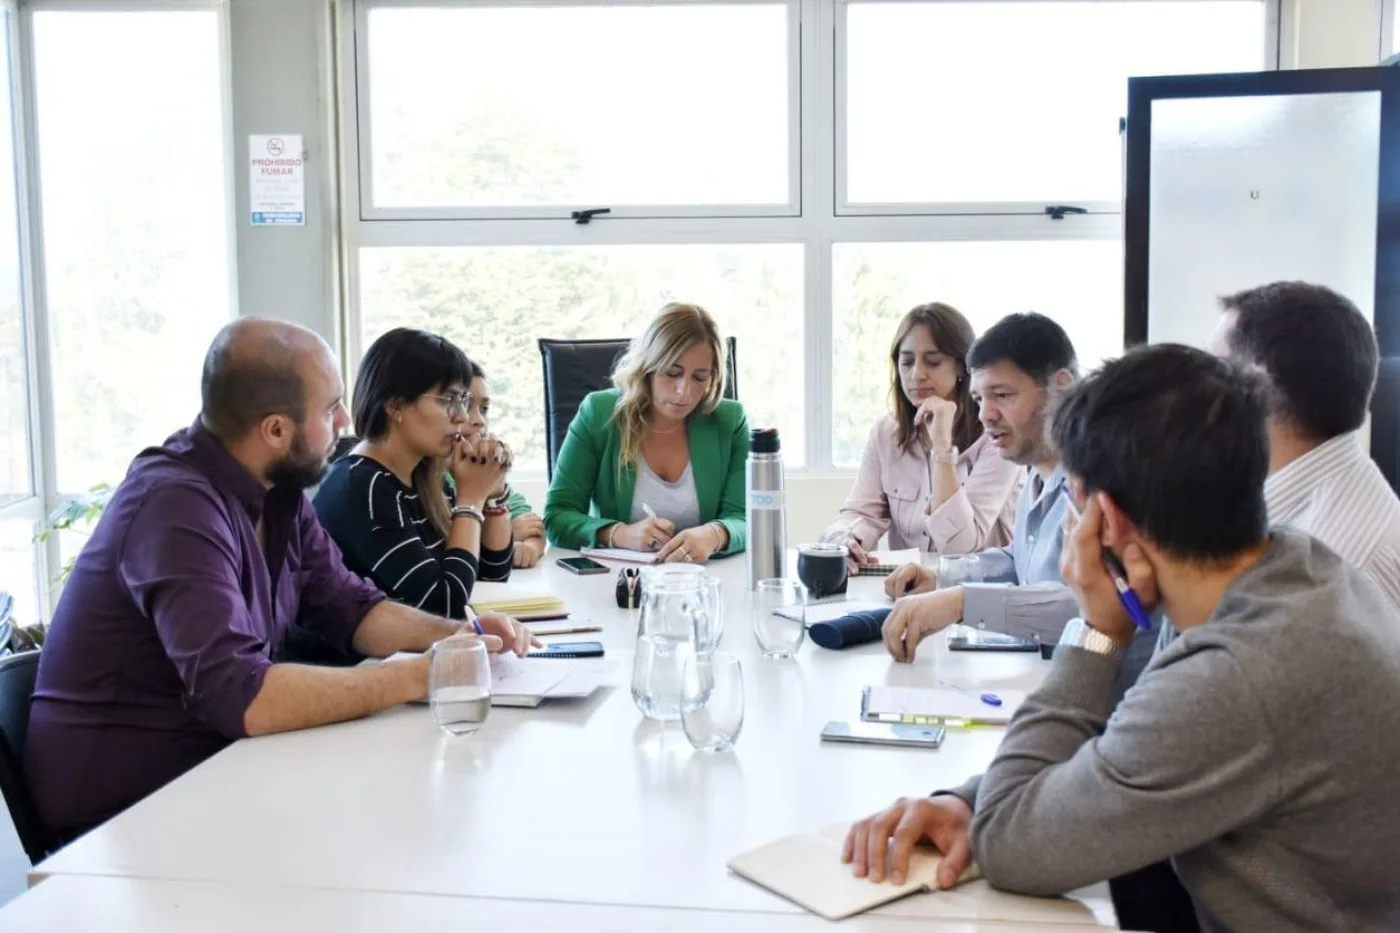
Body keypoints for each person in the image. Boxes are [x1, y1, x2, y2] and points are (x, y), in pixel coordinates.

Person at [844, 345, 1400, 933]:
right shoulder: (1290, 562)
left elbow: (1011, 845)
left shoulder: (1236, 674)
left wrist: (1096, 627)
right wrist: (966, 800)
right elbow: (1130, 744)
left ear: (1104, 522)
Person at [23, 319, 535, 841]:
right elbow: (242, 694)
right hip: (125, 813)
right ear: (274, 429)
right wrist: (419, 676)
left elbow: (352, 608)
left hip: (219, 772)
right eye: (329, 408)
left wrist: (457, 637)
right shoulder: (174, 506)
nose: (344, 420)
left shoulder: (279, 491)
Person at [878, 313, 1156, 683]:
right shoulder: (1037, 471)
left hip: (1107, 700)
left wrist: (962, 601)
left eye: (1003, 396)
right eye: (978, 399)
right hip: (1046, 679)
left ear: (1062, 387)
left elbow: (1095, 604)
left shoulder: (1103, 480)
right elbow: (1022, 558)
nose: (985, 415)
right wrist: (943, 576)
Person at [1209, 281, 1400, 611]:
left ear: (1254, 388)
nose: (1200, 391)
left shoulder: (1316, 571)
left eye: (1214, 370)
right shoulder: (1339, 489)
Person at [314, 328, 515, 624]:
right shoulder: (364, 486)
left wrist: (492, 496)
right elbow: (445, 606)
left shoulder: (421, 475)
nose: (462, 416)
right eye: (449, 400)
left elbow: (490, 578)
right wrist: (470, 501)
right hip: (351, 666)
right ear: (395, 406)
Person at [823, 303, 1022, 572]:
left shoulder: (997, 436)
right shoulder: (886, 433)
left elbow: (960, 546)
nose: (916, 374)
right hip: (907, 592)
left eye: (933, 362)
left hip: (976, 596)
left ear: (961, 367)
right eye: (906, 362)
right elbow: (861, 514)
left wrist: (942, 449)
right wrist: (845, 541)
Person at [544, 302, 748, 564]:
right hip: (619, 582)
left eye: (699, 377)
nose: (683, 391)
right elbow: (557, 517)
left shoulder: (730, 422)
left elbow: (746, 517)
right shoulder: (598, 413)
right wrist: (618, 534)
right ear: (648, 367)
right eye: (672, 373)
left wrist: (715, 534)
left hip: (706, 582)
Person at [462, 360, 547, 569]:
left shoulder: (481, 465)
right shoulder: (433, 475)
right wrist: (506, 535)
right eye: (464, 405)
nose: (479, 420)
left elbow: (532, 524)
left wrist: (529, 547)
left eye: (484, 409)